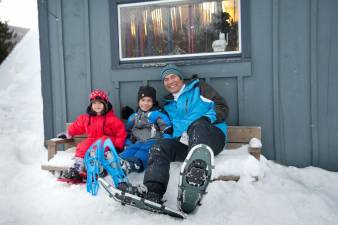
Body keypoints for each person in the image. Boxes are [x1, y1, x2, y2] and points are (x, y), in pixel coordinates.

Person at [123, 64, 229, 211]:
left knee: (197, 125)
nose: (170, 81)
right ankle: (153, 191)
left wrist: (206, 119)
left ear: (180, 78)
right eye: (166, 79)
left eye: (173, 76)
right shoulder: (168, 105)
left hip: (210, 136)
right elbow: (155, 120)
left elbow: (221, 106)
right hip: (185, 143)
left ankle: (196, 176)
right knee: (158, 146)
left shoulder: (199, 88)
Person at [58, 89, 127, 182]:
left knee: (99, 144)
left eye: (100, 103)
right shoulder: (87, 118)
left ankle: (93, 169)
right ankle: (77, 167)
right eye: (94, 103)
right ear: (91, 105)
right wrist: (68, 133)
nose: (97, 105)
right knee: (82, 146)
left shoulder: (112, 119)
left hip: (106, 142)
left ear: (105, 104)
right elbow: (77, 126)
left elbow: (120, 133)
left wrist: (118, 146)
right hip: (92, 140)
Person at [118, 86, 172, 176]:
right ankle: (116, 162)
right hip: (139, 141)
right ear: (138, 101)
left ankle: (134, 164)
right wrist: (127, 143)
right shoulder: (134, 116)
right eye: (143, 100)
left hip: (154, 140)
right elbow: (126, 131)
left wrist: (165, 144)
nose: (145, 103)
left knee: (144, 151)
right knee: (132, 149)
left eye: (149, 100)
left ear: (153, 102)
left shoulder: (157, 114)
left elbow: (166, 129)